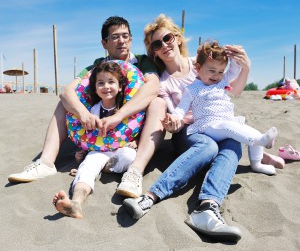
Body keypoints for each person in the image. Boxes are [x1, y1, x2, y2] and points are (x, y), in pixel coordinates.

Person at [123, 14, 285, 242]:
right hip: (189, 132)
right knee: (209, 146)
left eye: (167, 38)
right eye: (156, 44)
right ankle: (150, 196)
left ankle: (208, 208)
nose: (164, 45)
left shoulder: (203, 61)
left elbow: (233, 90)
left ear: (177, 38)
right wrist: (174, 121)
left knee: (232, 143)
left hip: (218, 125)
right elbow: (177, 115)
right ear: (154, 52)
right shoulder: (163, 81)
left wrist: (246, 68)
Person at [8, 16, 167, 199]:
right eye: (115, 37)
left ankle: (135, 172)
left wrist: (119, 116)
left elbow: (153, 87)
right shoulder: (96, 65)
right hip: (98, 128)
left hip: (132, 125)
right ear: (104, 43)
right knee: (64, 103)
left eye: (125, 36)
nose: (121, 41)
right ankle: (45, 163)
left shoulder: (142, 61)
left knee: (159, 103)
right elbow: (67, 91)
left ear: (131, 39)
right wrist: (83, 113)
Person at [168, 40, 278, 175]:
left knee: (248, 130)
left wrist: (232, 57)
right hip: (208, 126)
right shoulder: (191, 89)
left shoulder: (222, 81)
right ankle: (260, 140)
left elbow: (234, 70)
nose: (217, 75)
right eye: (212, 70)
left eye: (221, 71)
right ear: (197, 67)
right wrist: (175, 116)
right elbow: (181, 108)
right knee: (230, 127)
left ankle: (257, 164)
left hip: (227, 121)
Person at [53, 61, 138, 218]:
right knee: (87, 166)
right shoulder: (93, 110)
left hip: (120, 150)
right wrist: (83, 154)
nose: (106, 86)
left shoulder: (126, 106)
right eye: (101, 83)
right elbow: (88, 137)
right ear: (95, 88)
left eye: (111, 82)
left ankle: (105, 168)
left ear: (120, 86)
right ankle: (76, 203)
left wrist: (136, 141)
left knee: (129, 155)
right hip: (98, 151)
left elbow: (138, 125)